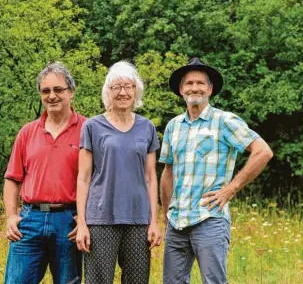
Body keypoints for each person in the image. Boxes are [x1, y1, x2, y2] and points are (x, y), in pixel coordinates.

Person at [160, 58, 273, 284]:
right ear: (181, 90)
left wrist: (231, 189)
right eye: (189, 83)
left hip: (209, 218)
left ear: (210, 89)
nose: (195, 88)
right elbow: (167, 173)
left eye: (201, 83)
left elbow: (263, 152)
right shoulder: (173, 125)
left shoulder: (225, 121)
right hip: (177, 222)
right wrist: (166, 214)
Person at [76, 61, 162, 284]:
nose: (123, 92)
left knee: (137, 280)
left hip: (138, 219)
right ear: (108, 92)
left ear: (136, 91)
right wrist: (82, 223)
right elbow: (83, 178)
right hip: (100, 217)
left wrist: (154, 221)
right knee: (98, 281)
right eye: (116, 87)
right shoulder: (92, 126)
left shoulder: (147, 127)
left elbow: (151, 178)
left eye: (128, 86)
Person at [3, 62, 85, 284]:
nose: (52, 96)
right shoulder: (28, 132)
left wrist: (86, 218)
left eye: (58, 90)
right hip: (30, 220)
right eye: (45, 91)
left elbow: (98, 180)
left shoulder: (88, 130)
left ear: (71, 92)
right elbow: (12, 179)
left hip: (69, 221)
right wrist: (11, 216)